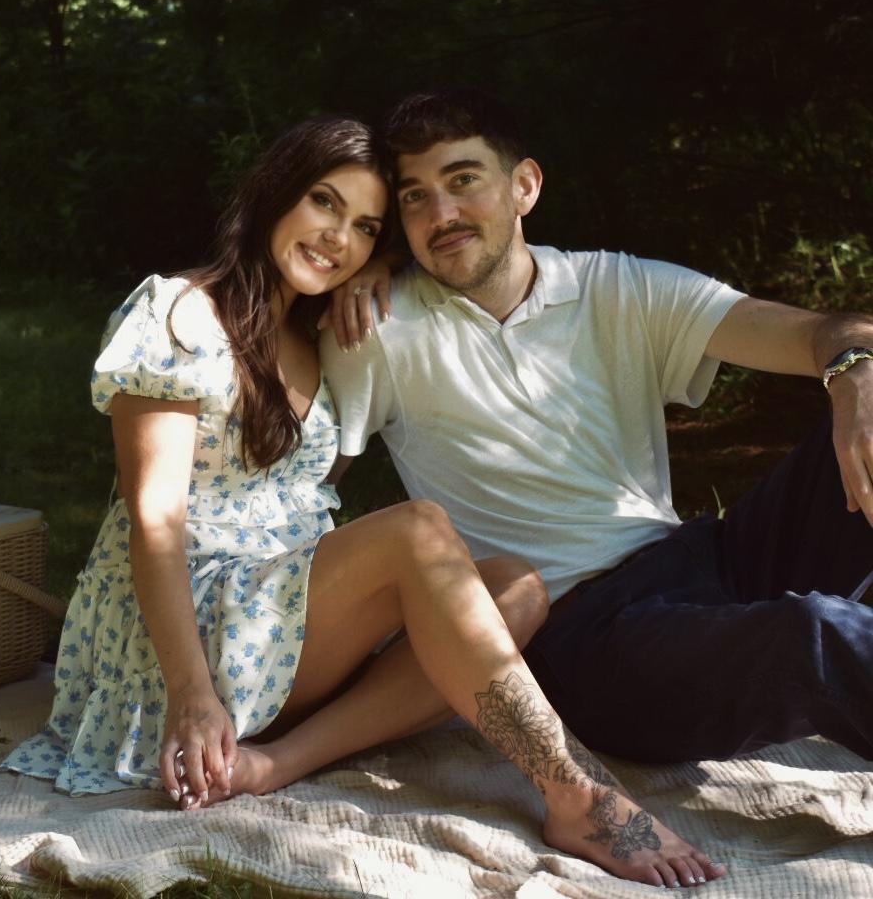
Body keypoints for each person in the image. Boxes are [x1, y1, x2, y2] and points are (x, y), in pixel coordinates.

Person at [3, 115, 725, 888]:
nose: (336, 237)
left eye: (365, 227)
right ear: (275, 191)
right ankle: (575, 791)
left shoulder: (317, 332)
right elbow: (154, 520)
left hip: (272, 624)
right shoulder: (180, 313)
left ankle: (275, 763)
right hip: (182, 643)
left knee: (515, 587)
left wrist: (380, 269)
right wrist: (191, 696)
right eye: (323, 202)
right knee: (419, 529)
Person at [320, 88, 873, 772]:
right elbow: (301, 492)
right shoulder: (375, 329)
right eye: (414, 197)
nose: (442, 214)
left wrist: (854, 379)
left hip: (705, 562)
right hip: (586, 642)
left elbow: (827, 333)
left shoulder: (617, 286)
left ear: (524, 186)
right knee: (814, 636)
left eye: (463, 180)